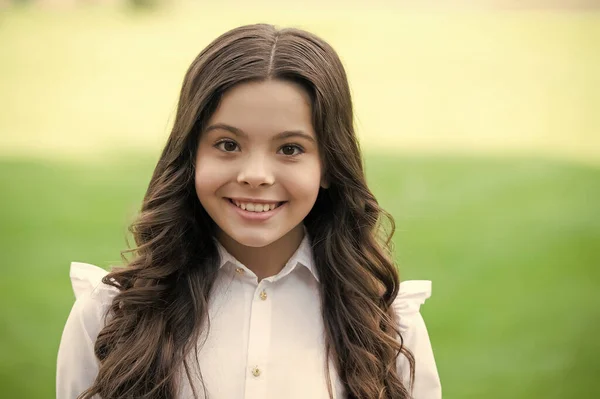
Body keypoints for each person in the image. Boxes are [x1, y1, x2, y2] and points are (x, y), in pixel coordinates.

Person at [56, 23, 442, 399]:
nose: (255, 175)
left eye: (290, 149)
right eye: (227, 144)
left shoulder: (388, 326)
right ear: (191, 155)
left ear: (328, 165)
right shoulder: (110, 315)